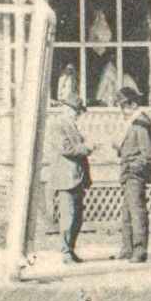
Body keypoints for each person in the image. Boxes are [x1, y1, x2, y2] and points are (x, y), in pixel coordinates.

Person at [47, 66, 97, 264]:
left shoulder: (72, 125)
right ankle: (65, 251)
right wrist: (86, 147)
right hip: (65, 177)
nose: (78, 115)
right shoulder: (57, 125)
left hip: (76, 176)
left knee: (77, 216)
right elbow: (66, 149)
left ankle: (71, 249)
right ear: (67, 109)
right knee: (68, 216)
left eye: (79, 112)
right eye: (76, 111)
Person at [113, 83, 151, 263]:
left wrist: (134, 167)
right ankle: (127, 248)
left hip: (134, 172)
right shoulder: (132, 122)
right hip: (127, 170)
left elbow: (146, 153)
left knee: (136, 211)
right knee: (127, 212)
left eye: (123, 106)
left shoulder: (140, 122)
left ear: (132, 104)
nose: (122, 110)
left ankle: (139, 250)